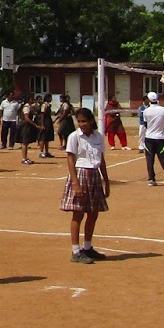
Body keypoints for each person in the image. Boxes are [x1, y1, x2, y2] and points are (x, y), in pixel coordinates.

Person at [62, 107, 111, 263]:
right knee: (78, 213)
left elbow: (101, 159)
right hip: (81, 174)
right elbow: (70, 159)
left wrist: (106, 180)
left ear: (91, 121)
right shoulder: (74, 137)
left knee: (93, 213)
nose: (81, 124)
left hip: (94, 175)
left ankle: (88, 247)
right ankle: (76, 251)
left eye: (84, 121)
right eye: (79, 121)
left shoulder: (98, 137)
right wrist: (75, 182)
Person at [140, 92, 164, 187]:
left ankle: (151, 179)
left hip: (149, 138)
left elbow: (145, 124)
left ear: (148, 100)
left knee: (149, 160)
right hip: (159, 138)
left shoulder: (146, 111)